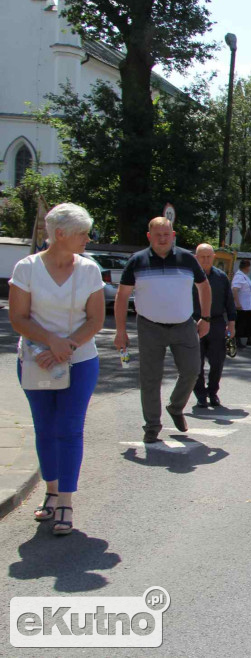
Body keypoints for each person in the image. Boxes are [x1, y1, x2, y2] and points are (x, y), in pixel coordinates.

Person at [9, 203, 105, 535]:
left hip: (79, 360)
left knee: (70, 428)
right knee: (45, 428)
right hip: (37, 360)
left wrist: (68, 346)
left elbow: (95, 319)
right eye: (83, 233)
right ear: (60, 234)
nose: (88, 239)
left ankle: (65, 499)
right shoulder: (27, 268)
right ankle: (50, 491)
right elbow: (18, 318)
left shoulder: (90, 269)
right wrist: (51, 342)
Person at [114, 217, 211, 443]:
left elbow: (204, 286)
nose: (162, 238)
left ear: (173, 235)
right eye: (157, 234)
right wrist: (120, 331)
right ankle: (152, 426)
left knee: (192, 370)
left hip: (184, 324)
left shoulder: (187, 259)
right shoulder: (137, 261)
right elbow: (122, 296)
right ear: (149, 236)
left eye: (166, 234)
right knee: (150, 379)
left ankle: (176, 407)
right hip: (149, 326)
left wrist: (205, 317)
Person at [193, 244, 236, 408]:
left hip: (216, 322)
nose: (206, 260)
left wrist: (232, 324)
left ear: (213, 257)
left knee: (217, 361)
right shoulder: (190, 277)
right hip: (194, 322)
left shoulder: (221, 277)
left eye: (209, 256)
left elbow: (229, 302)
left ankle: (212, 392)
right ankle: (201, 395)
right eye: (202, 256)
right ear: (196, 257)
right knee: (196, 362)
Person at [231, 260, 251, 347]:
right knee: (240, 323)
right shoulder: (239, 276)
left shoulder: (244, 276)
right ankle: (237, 340)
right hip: (242, 305)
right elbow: (234, 290)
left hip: (249, 305)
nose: (249, 269)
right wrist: (237, 303)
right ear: (246, 267)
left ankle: (250, 339)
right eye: (248, 267)